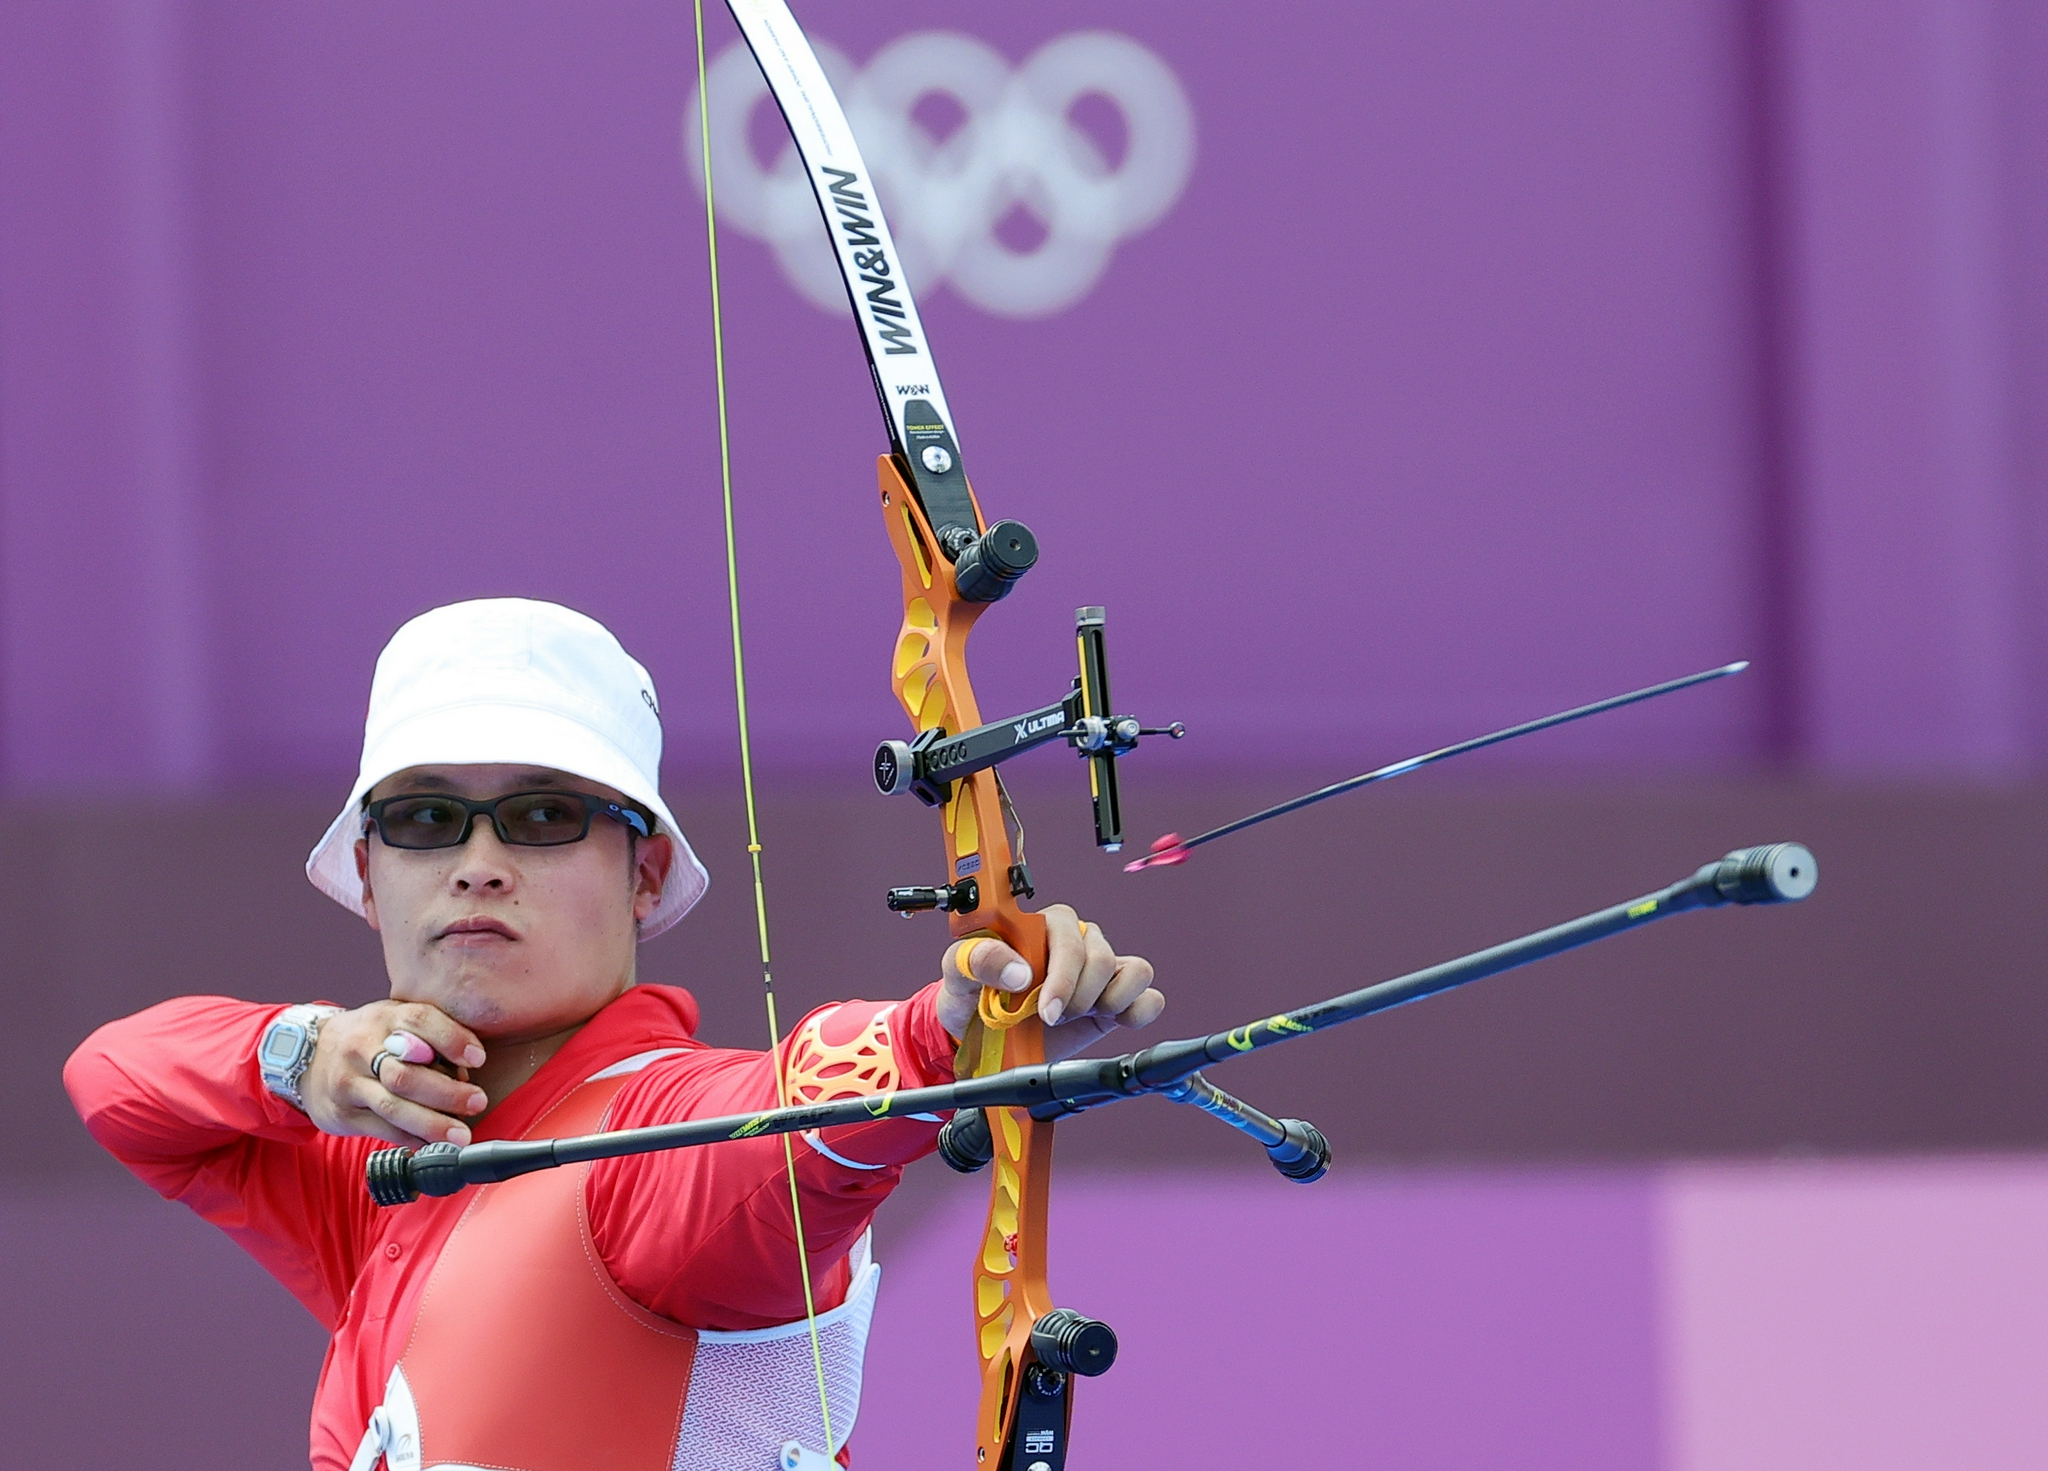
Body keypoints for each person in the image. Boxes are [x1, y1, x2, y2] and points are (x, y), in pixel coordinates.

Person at [63, 598, 1164, 1471]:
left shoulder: (646, 1144)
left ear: (642, 870)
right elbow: (116, 1080)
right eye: (423, 816)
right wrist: (304, 1055)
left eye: (544, 816)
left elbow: (770, 1128)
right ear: (366, 869)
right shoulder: (386, 1167)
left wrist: (944, 1035)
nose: (478, 860)